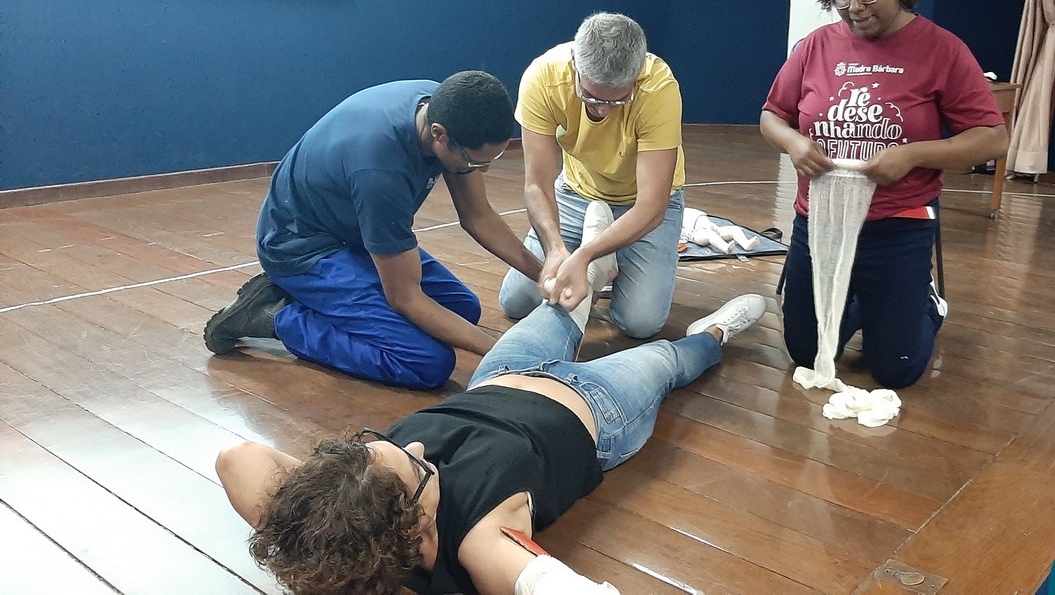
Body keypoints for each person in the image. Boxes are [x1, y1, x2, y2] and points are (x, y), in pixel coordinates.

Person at [215, 206, 768, 594]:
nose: (417, 446)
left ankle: (592, 266)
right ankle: (715, 332)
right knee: (670, 360)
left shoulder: (352, 508)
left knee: (560, 307)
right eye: (417, 468)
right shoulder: (480, 545)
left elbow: (237, 458)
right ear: (413, 528)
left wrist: (312, 517)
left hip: (501, 376)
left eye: (379, 447)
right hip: (601, 409)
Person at [759, 0, 1009, 388]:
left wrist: (913, 155)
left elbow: (993, 138)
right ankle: (861, 302)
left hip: (897, 225)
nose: (855, 7)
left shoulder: (942, 49)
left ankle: (922, 301)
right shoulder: (816, 46)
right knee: (807, 354)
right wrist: (795, 143)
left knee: (897, 369)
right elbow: (772, 115)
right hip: (821, 221)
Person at [203, 72, 543, 390]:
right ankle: (276, 316)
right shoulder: (381, 171)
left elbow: (478, 216)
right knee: (427, 363)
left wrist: (545, 276)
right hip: (301, 248)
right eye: (474, 162)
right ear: (439, 134)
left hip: (353, 230)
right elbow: (405, 298)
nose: (482, 170)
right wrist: (503, 350)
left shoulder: (444, 104)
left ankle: (331, 302)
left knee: (462, 308)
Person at [498, 12, 685, 338]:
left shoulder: (659, 88)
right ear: (576, 65)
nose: (603, 109)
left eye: (619, 99)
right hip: (576, 193)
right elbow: (537, 184)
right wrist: (555, 249)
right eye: (592, 97)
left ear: (637, 74)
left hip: (639, 204)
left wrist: (584, 256)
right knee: (517, 301)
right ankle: (598, 257)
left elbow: (652, 206)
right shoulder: (543, 77)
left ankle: (598, 259)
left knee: (640, 323)